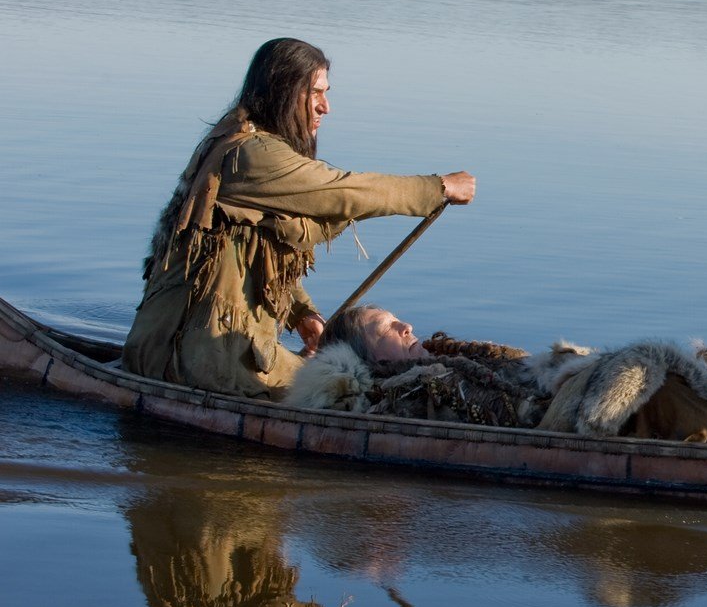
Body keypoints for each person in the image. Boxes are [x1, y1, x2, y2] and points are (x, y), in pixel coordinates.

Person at [123, 38, 477, 400]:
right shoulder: (248, 155)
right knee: (352, 390)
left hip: (188, 350)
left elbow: (250, 252)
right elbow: (342, 192)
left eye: (326, 93)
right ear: (283, 91)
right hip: (193, 360)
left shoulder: (241, 141)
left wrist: (301, 313)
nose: (326, 107)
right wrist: (439, 188)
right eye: (315, 93)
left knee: (343, 376)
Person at [283, 304, 707, 451]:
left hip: (578, 381)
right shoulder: (407, 393)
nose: (407, 325)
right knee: (684, 389)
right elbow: (508, 408)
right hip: (589, 413)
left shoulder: (437, 360)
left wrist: (439, 344)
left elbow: (508, 358)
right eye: (390, 327)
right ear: (373, 359)